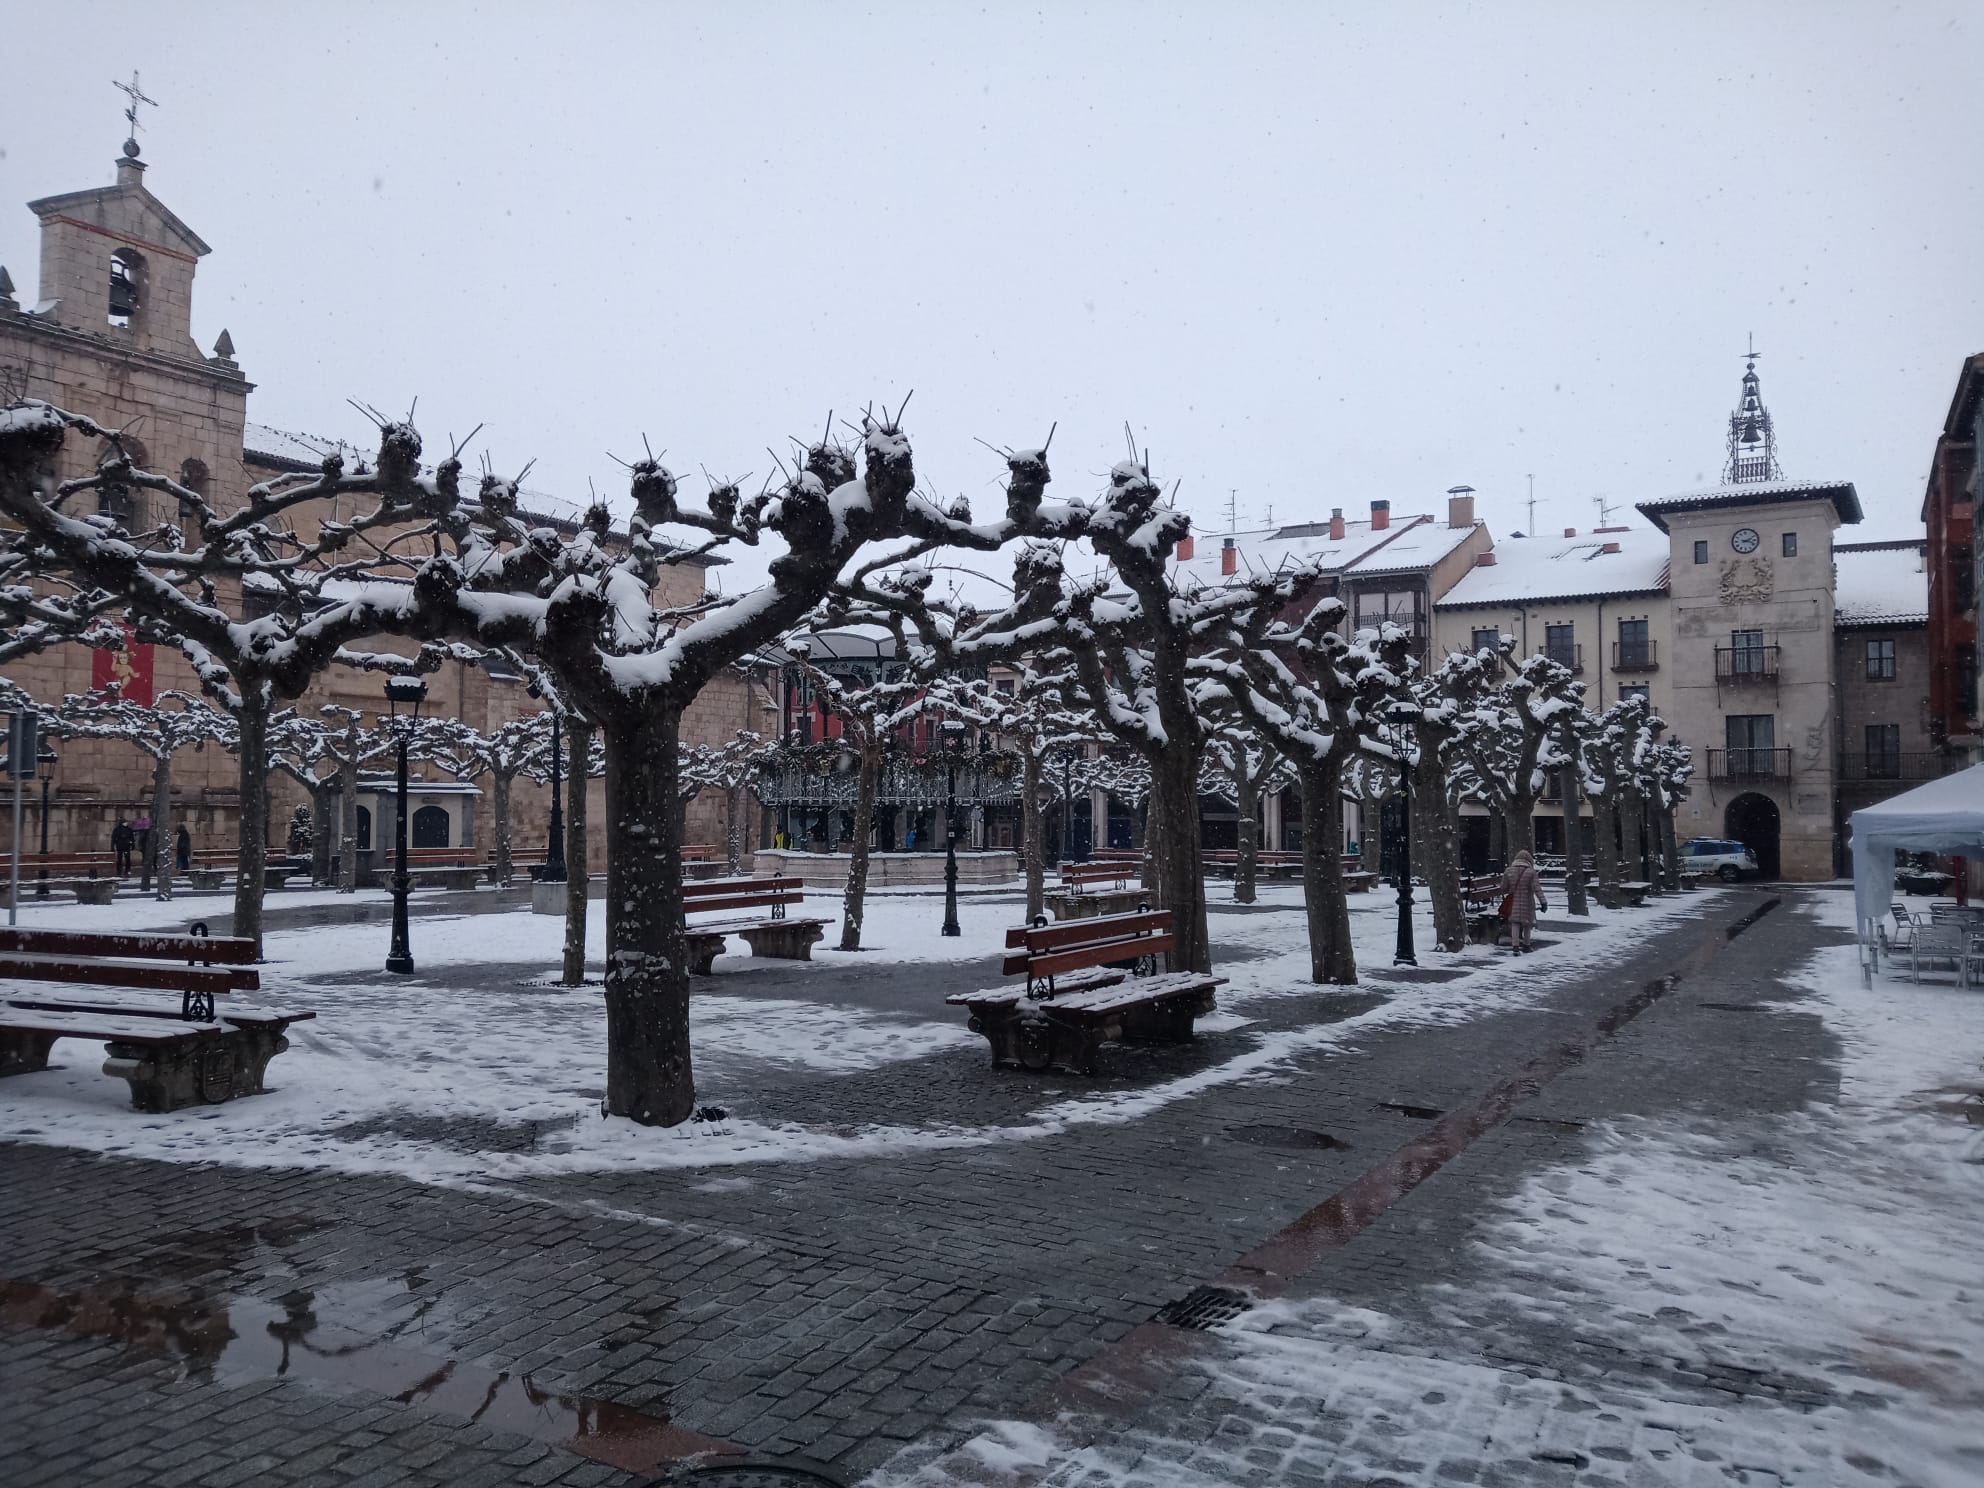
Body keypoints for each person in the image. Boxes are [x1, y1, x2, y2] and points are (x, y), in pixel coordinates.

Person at [1499, 848, 1548, 954]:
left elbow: (1503, 887)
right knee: (1527, 923)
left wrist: (1510, 889)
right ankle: (1526, 945)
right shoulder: (1531, 872)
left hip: (1514, 901)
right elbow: (1537, 888)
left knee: (1515, 923)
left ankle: (1515, 946)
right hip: (1528, 901)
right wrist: (1543, 902)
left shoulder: (1509, 870)